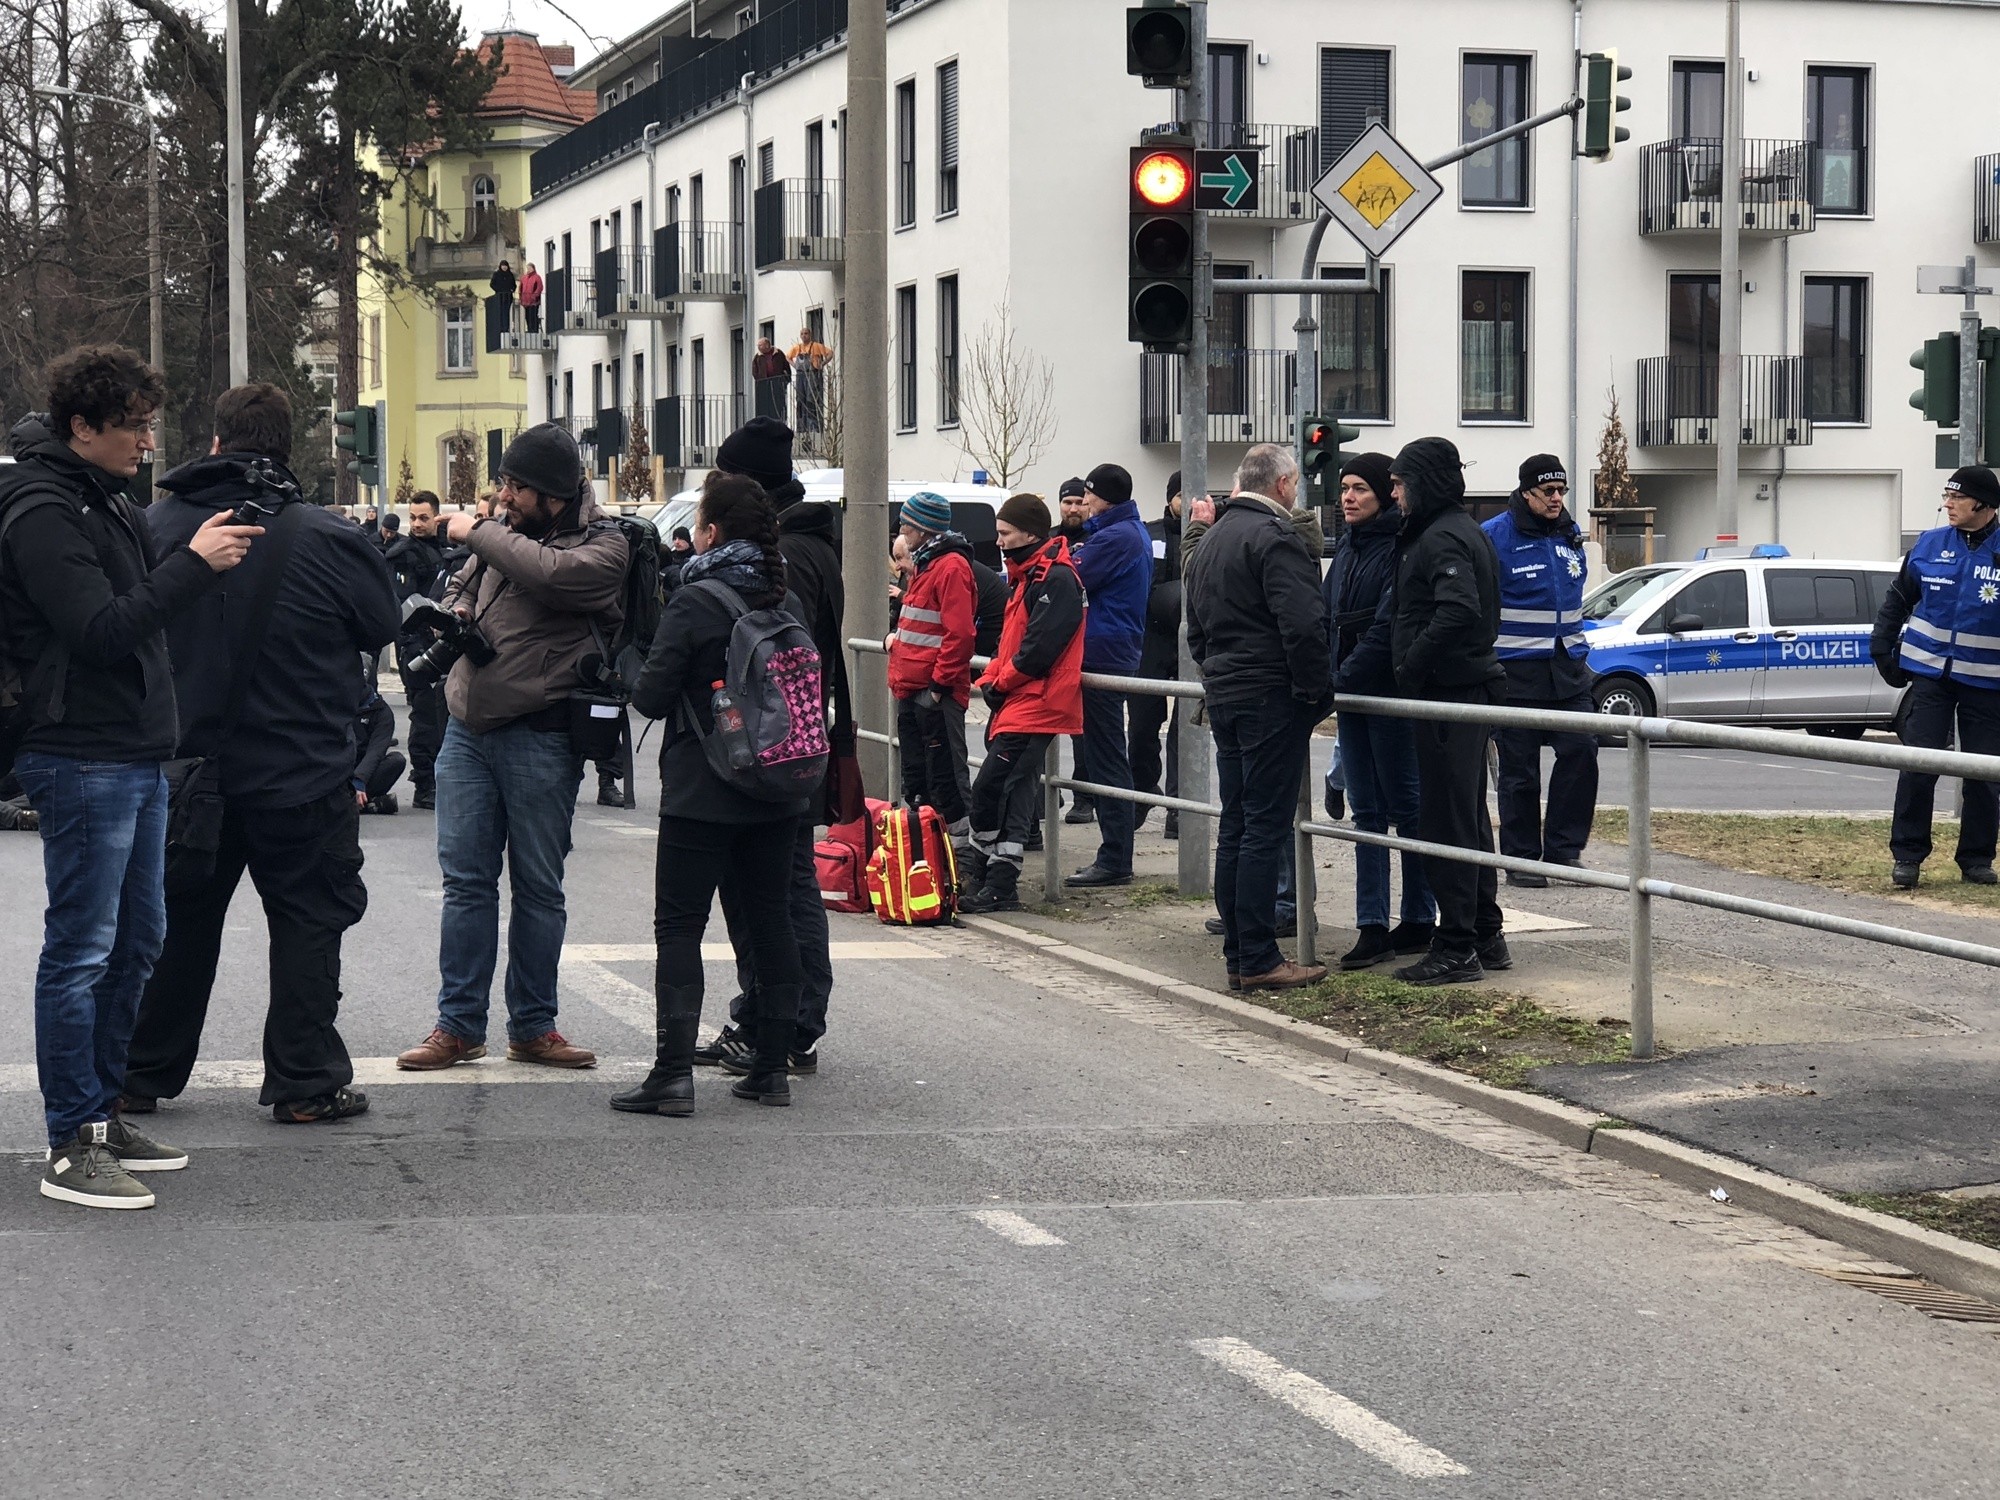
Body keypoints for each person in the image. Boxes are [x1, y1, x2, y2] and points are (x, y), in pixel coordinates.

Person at [0, 345, 259, 1207]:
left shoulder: (95, 495)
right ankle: (71, 1142)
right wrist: (193, 562)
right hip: (79, 753)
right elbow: (101, 632)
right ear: (83, 427)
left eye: (150, 424)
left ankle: (103, 1116)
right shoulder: (40, 506)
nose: (149, 442)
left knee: (138, 940)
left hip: (134, 751)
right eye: (134, 427)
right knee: (81, 949)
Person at [122, 381, 400, 1123]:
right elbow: (381, 626)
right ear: (286, 446)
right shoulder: (329, 537)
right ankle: (305, 1083)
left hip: (185, 775)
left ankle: (139, 1073)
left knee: (176, 929)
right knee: (309, 926)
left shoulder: (154, 526)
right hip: (301, 771)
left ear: (215, 442)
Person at [395, 422, 629, 1072]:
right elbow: (466, 582)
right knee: (466, 884)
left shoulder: (604, 548)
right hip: (467, 732)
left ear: (550, 494)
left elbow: (550, 576)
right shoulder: (506, 536)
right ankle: (457, 1026)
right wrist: (458, 611)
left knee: (538, 887)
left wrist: (479, 532)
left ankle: (534, 1025)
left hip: (542, 734)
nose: (503, 496)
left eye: (514, 486)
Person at [620, 473, 813, 1114]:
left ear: (713, 531)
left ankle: (672, 1075)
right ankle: (770, 1071)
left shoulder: (696, 598)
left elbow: (648, 695)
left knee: (679, 925)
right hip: (778, 785)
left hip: (704, 789)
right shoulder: (786, 598)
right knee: (771, 919)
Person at [694, 417, 841, 1076]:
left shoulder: (791, 554)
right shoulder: (804, 545)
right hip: (794, 741)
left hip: (777, 747)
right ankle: (772, 1016)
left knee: (777, 893)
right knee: (777, 889)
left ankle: (785, 1021)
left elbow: (783, 655)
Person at [1183, 443, 1330, 992]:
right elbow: (1303, 624)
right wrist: (1315, 693)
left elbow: (1194, 625)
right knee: (1264, 828)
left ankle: (1240, 954)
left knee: (1239, 824)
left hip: (1225, 689)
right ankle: (1261, 957)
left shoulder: (1213, 538)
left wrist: (1215, 672)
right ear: (1285, 485)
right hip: (1270, 692)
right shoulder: (1277, 537)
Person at [1388, 437, 1508, 986]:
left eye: (1399, 483)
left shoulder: (1441, 536)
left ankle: (1458, 942)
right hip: (1457, 690)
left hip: (1448, 693)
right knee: (1468, 816)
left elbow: (1458, 609)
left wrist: (1412, 664)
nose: (1394, 494)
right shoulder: (1459, 531)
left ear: (1423, 482)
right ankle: (1484, 932)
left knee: (1449, 821)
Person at [1324, 453, 1435, 970]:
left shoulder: (1398, 546)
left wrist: (1339, 679)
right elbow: (1328, 618)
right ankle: (1371, 924)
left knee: (1408, 810)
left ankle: (1418, 918)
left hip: (1389, 694)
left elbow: (1387, 627)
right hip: (1351, 697)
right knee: (1366, 812)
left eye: (1359, 489)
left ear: (1384, 494)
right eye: (1344, 487)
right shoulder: (1347, 547)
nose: (1348, 497)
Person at [1871, 465, 2000, 889]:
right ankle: (1907, 856)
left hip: (1987, 684)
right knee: (1918, 766)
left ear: (1984, 504)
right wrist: (1882, 646)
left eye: (1957, 497)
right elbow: (1897, 601)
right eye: (1946, 496)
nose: (1948, 504)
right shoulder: (1929, 544)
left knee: (1982, 775)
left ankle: (1976, 860)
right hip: (1930, 678)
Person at [961, 494, 1086, 913]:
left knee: (991, 788)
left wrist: (999, 681)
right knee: (1011, 792)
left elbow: (1038, 650)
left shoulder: (1054, 579)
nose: (997, 541)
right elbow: (1013, 643)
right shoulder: (1031, 575)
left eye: (1004, 533)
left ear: (1030, 533)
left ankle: (989, 875)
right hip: (1024, 699)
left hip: (1038, 701)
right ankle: (996, 881)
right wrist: (994, 679)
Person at [1484, 455, 1597, 888]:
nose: (1556, 499)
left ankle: (1565, 853)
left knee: (1582, 752)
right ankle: (1523, 859)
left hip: (1568, 670)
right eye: (1547, 491)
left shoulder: (1569, 534)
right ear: (1526, 492)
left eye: (1562, 491)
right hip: (1515, 674)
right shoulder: (1494, 537)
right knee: (1519, 772)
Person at [1066, 463, 1151, 887]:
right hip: (1110, 650)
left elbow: (1069, 577)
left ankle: (1115, 856)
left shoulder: (1116, 537)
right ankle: (1114, 853)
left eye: (1089, 496)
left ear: (1106, 498)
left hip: (1102, 654)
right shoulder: (1124, 532)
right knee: (1103, 755)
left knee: (1105, 757)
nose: (1084, 504)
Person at [886, 490, 977, 846]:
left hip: (933, 692)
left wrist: (939, 686)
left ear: (923, 530)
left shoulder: (950, 567)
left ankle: (958, 858)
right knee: (919, 777)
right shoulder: (927, 566)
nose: (903, 533)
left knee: (947, 780)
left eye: (906, 526)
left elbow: (960, 633)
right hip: (914, 688)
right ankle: (928, 854)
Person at [1132, 468, 1184, 838]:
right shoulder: (1148, 533)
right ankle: (1142, 793)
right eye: (1182, 494)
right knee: (1142, 726)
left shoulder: (1211, 535)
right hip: (1149, 642)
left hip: (1190, 643)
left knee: (1186, 730)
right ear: (1170, 498)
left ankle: (1179, 809)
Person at [391, 493, 448, 806]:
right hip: (415, 645)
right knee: (425, 714)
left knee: (446, 716)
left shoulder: (445, 550)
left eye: (423, 517)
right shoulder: (403, 554)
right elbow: (404, 606)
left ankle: (440, 778)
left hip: (444, 645)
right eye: (412, 517)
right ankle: (424, 783)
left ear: (436, 517)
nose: (416, 523)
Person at [1054, 476, 1095, 826]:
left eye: (1080, 502)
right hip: (1053, 643)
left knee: (1082, 730)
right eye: (1068, 503)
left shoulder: (1098, 540)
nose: (1074, 509)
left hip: (1086, 644)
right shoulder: (1052, 539)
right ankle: (1042, 798)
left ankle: (1084, 798)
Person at [790, 326, 833, 432]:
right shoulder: (797, 348)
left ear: (810, 335)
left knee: (811, 399)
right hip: (800, 375)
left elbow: (830, 353)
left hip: (812, 374)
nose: (804, 336)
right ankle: (801, 427)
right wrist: (794, 365)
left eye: (806, 333)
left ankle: (813, 426)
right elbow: (788, 356)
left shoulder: (816, 346)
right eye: (802, 334)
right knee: (800, 400)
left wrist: (822, 364)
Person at [751, 337, 791, 420]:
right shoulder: (757, 357)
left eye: (760, 345)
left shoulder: (779, 353)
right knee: (766, 405)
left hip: (778, 384)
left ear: (767, 345)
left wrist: (786, 380)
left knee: (779, 404)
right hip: (764, 386)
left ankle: (780, 421)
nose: (758, 347)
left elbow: (786, 367)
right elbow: (755, 371)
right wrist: (760, 381)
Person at [518, 262, 544, 334]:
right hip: (525, 301)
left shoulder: (537, 277)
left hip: (534, 302)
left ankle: (534, 330)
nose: (528, 269)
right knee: (527, 316)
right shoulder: (524, 278)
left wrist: (534, 296)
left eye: (530, 268)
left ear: (533, 268)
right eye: (527, 268)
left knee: (533, 315)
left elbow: (539, 287)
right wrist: (521, 298)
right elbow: (520, 288)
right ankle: (529, 329)